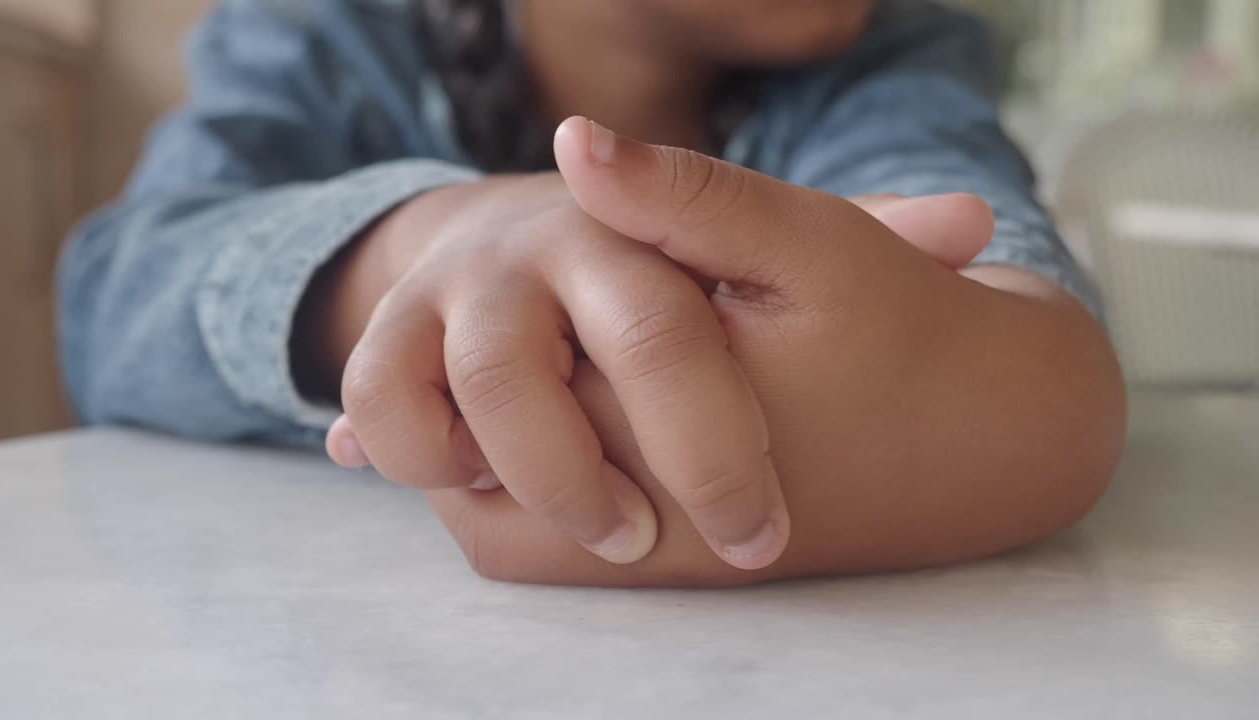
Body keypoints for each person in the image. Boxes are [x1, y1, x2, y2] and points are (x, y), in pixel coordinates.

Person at [57, 0, 1126, 587]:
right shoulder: (320, 31)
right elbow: (115, 290)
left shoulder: (898, 47)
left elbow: (1018, 324)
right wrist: (417, 248)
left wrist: (1026, 373)